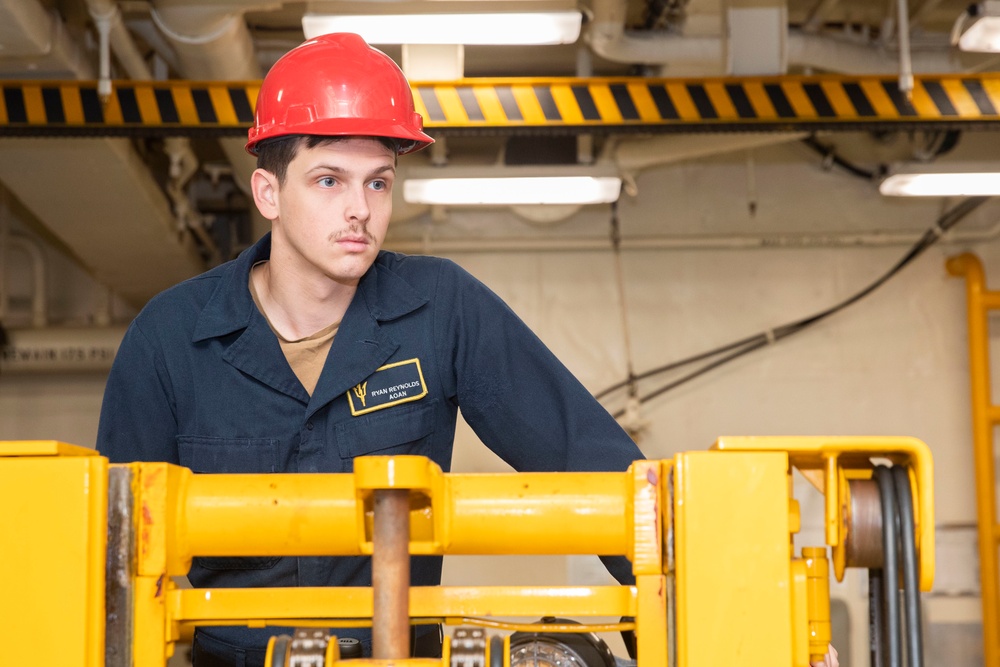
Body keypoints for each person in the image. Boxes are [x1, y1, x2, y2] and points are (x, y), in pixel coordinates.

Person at [97, 32, 839, 667]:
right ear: (267, 191)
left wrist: (734, 620)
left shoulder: (441, 310)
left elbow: (594, 461)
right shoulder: (169, 341)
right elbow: (114, 562)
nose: (360, 209)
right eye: (329, 180)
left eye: (378, 182)